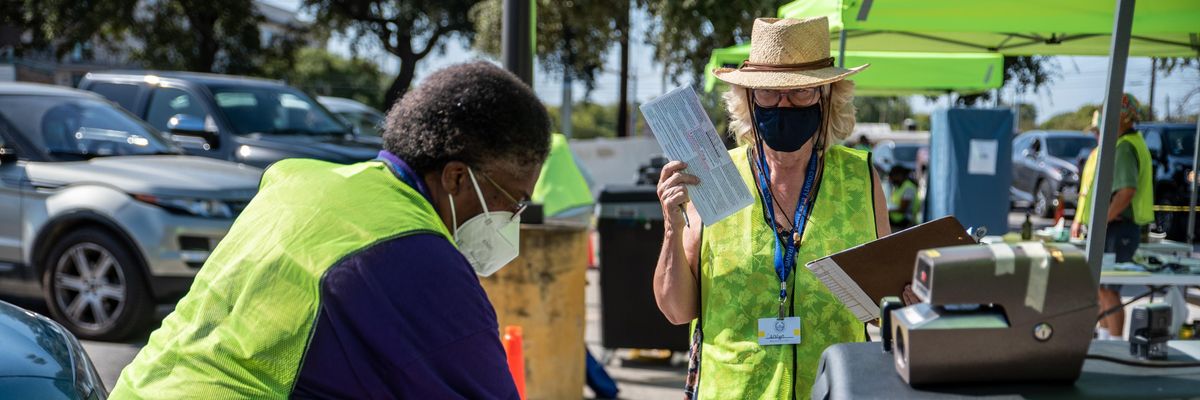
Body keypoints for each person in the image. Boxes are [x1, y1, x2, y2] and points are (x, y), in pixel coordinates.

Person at [110, 62, 551, 399]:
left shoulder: (298, 181)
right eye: (514, 200)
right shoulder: (419, 255)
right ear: (456, 178)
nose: (512, 218)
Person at [653, 17, 915, 400]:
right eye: (769, 92)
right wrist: (672, 227)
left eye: (800, 93)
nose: (783, 103)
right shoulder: (712, 177)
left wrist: (906, 299)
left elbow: (880, 306)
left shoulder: (859, 178)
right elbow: (677, 311)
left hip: (832, 389)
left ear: (827, 97)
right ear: (748, 100)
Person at [1071, 95, 1154, 341]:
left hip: (1119, 230)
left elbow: (1126, 191)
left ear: (1124, 116)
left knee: (1109, 289)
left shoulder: (1125, 146)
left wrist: (1102, 221)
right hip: (1116, 228)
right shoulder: (1123, 143)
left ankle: (1115, 344)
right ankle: (1106, 340)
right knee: (1102, 289)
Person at [887, 164, 920, 232]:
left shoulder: (908, 188)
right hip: (898, 222)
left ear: (899, 175)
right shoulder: (898, 187)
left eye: (893, 176)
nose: (891, 179)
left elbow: (902, 209)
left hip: (906, 223)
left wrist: (888, 210)